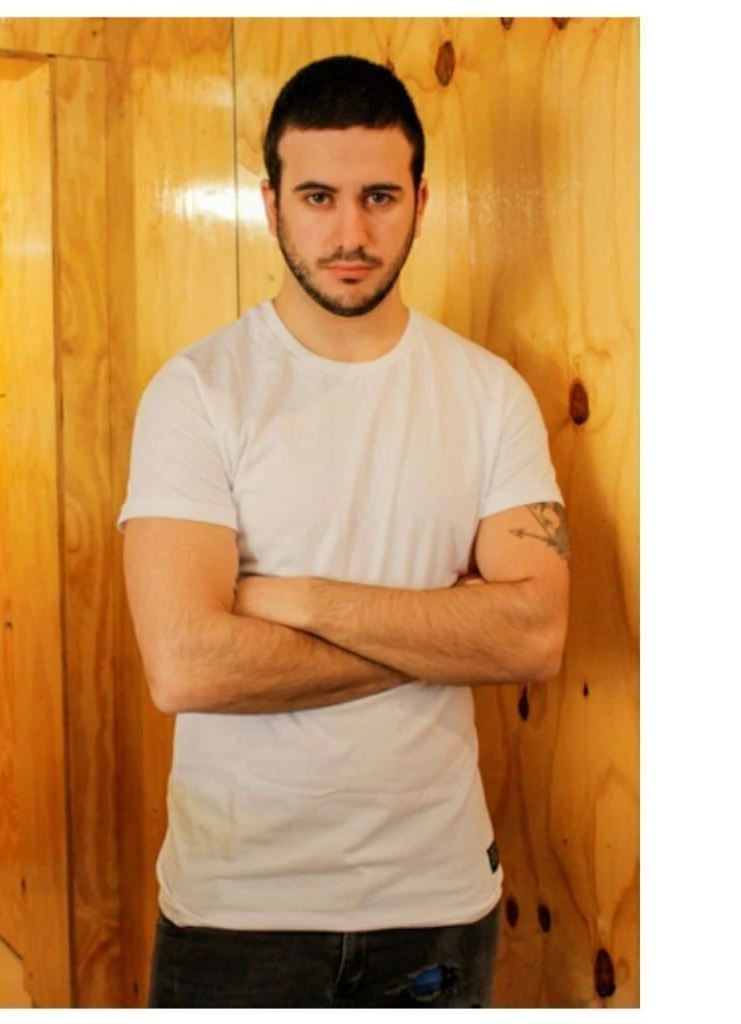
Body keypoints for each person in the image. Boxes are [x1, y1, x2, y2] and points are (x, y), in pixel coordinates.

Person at [118, 55, 570, 1009]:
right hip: (238, 906)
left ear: (421, 201)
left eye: (380, 197)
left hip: (437, 897)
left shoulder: (490, 395)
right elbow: (187, 667)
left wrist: (299, 599)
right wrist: (447, 632)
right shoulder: (196, 393)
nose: (351, 234)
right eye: (318, 197)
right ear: (271, 203)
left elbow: (534, 637)